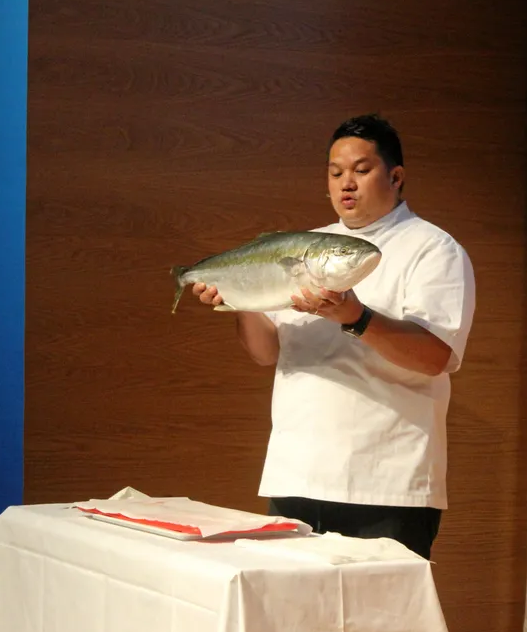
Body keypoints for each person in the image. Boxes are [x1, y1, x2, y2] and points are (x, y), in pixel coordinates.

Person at [191, 114, 476, 559]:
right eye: (335, 172)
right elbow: (265, 353)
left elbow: (434, 356)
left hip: (387, 481)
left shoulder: (433, 249)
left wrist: (355, 317)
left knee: (379, 605)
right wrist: (240, 298)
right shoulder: (305, 247)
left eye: (361, 170)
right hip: (296, 473)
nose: (347, 183)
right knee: (292, 604)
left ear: (396, 177)